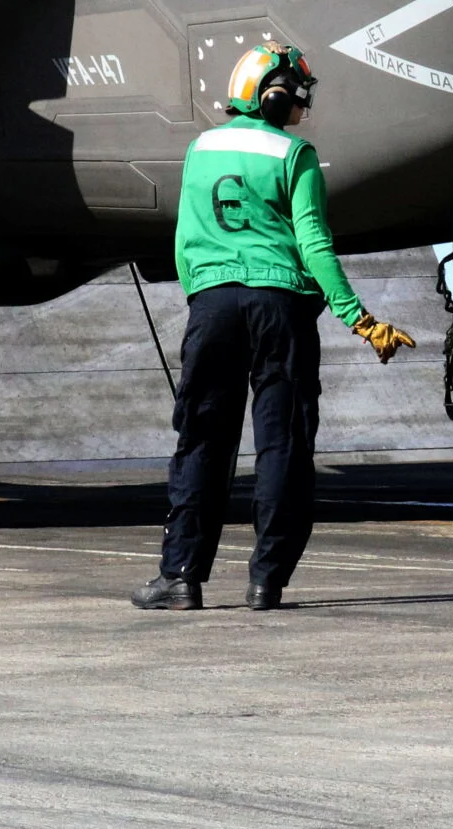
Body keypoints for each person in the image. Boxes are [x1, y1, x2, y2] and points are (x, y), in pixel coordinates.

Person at [132, 44, 415, 612]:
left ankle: (181, 577)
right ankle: (267, 582)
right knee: (282, 445)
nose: (300, 112)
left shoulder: (200, 148)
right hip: (280, 310)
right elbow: (313, 244)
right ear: (274, 95)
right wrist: (358, 318)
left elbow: (186, 241)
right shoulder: (296, 155)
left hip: (211, 307)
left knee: (202, 442)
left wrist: (207, 298)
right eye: (296, 100)